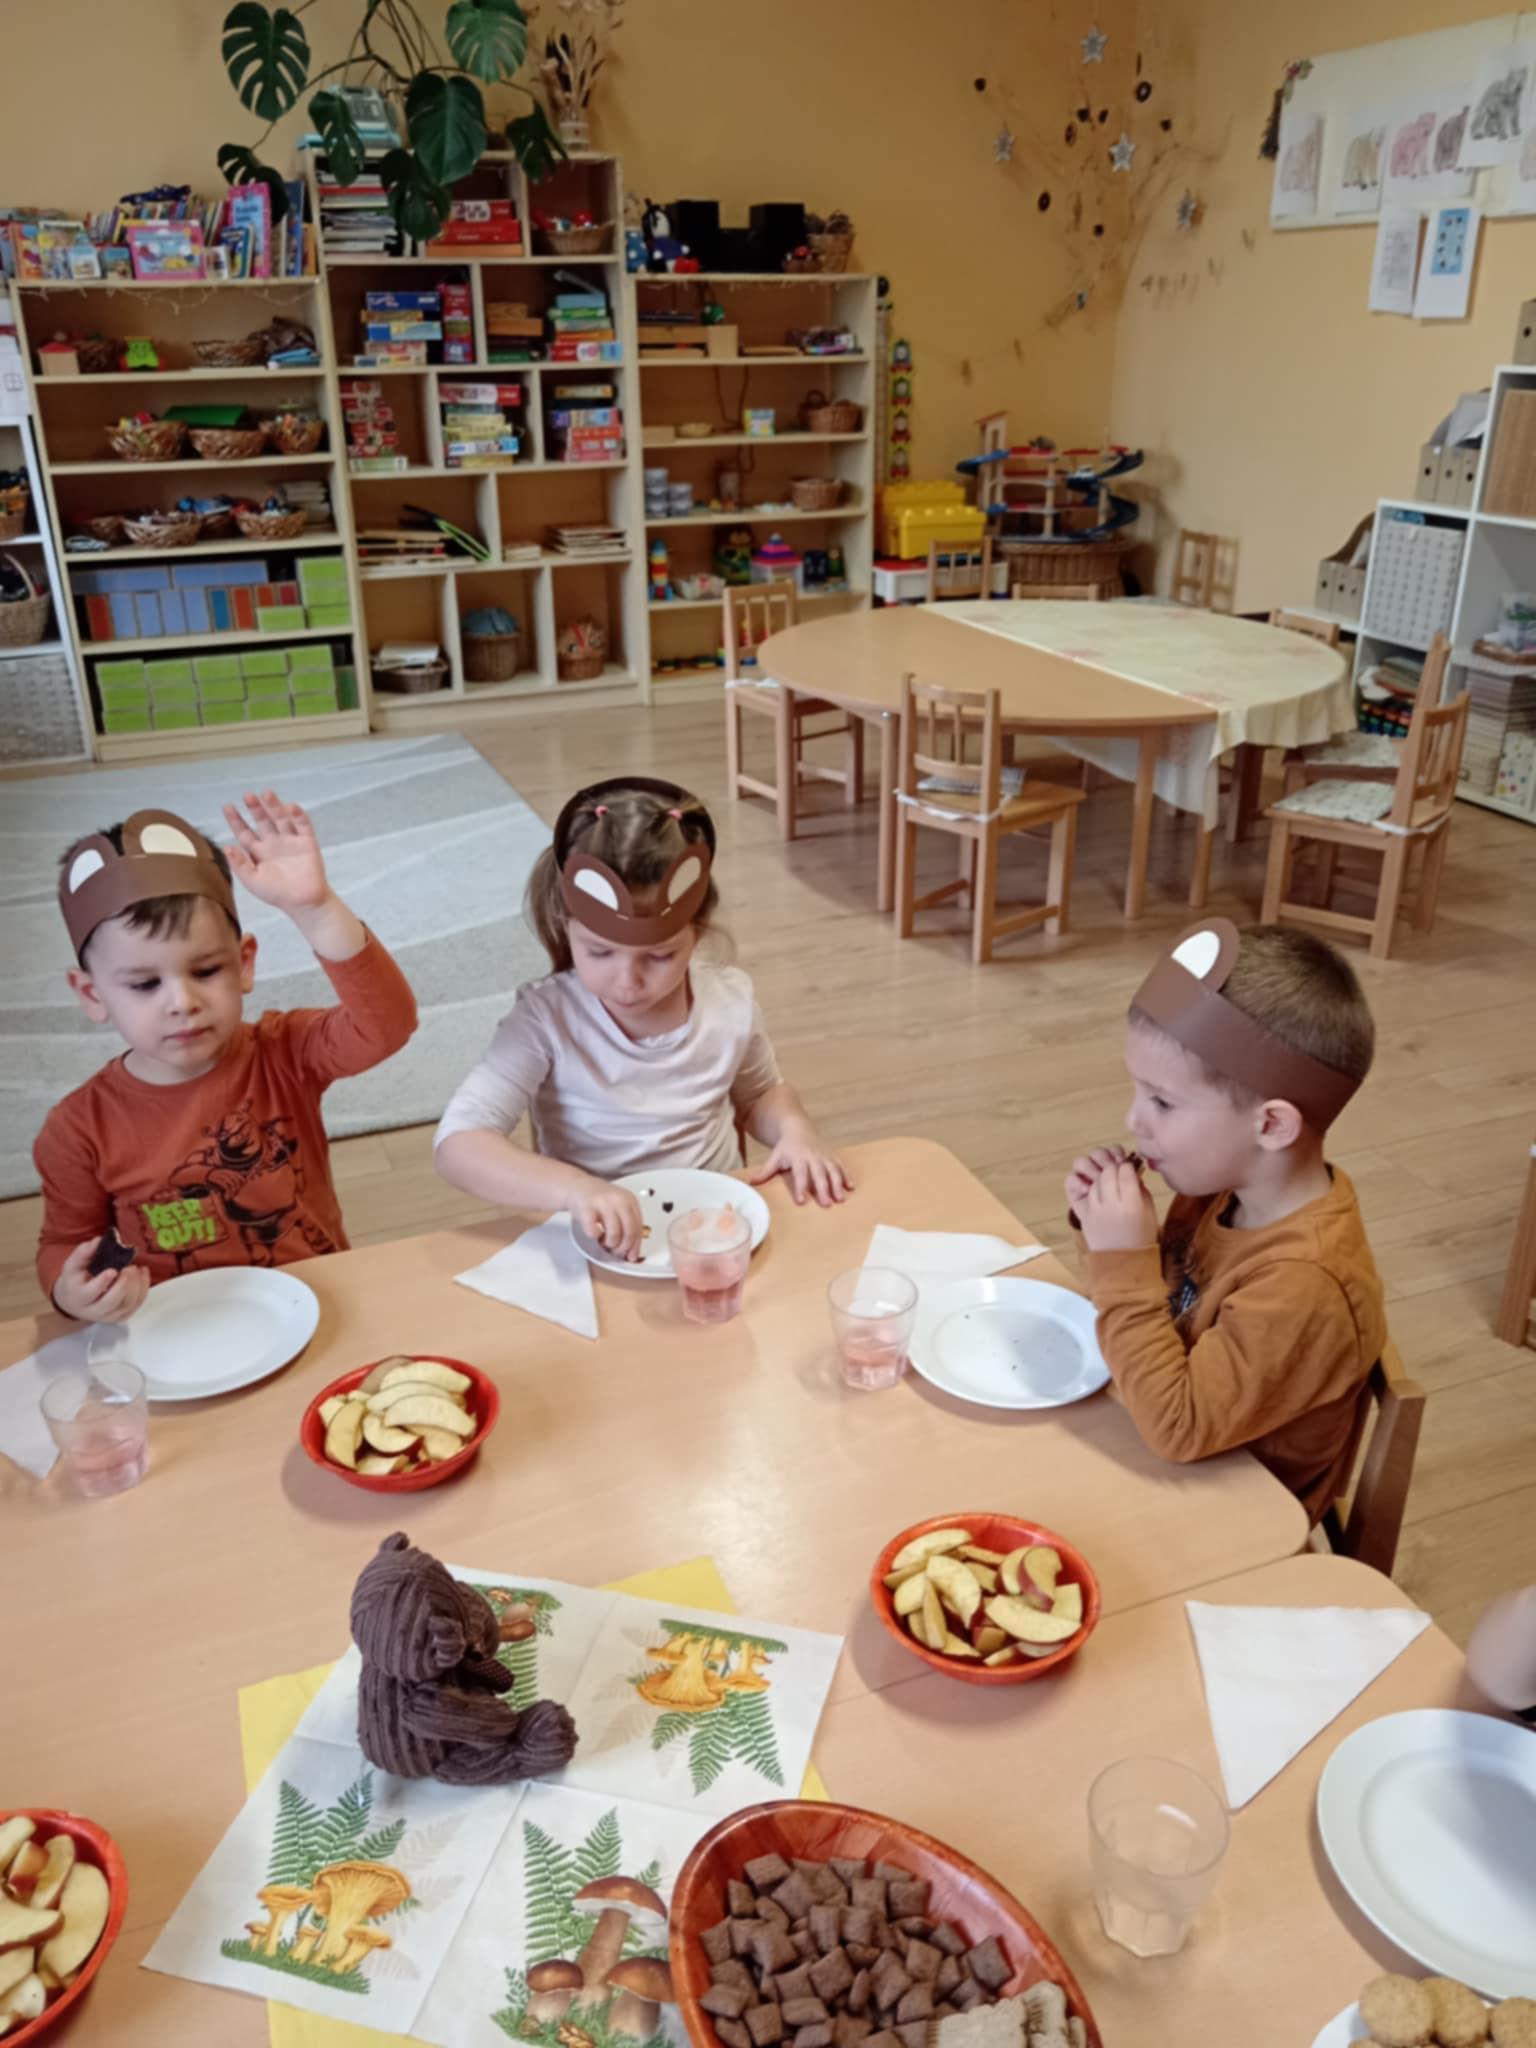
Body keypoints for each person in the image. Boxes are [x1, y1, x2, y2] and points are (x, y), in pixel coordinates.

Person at [36, 793, 417, 1323]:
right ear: (92, 994)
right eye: (145, 984)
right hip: (175, 1329)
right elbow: (65, 1242)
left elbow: (386, 1025)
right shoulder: (77, 1130)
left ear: (244, 964)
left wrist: (315, 908)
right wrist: (69, 1291)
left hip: (314, 1304)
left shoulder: (284, 1051)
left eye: (206, 971)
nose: (182, 1002)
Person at [433, 775, 848, 1259]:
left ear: (697, 932)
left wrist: (794, 1130)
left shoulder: (729, 1001)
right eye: (599, 952)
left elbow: (759, 1095)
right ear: (566, 927)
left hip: (712, 1232)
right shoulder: (545, 1019)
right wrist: (576, 1190)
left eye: (659, 956)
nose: (627, 982)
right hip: (600, 1242)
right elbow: (459, 1144)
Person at [1064, 919, 1386, 1520]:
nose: (1134, 1120)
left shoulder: (1305, 1285)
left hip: (1235, 1515)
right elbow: (1156, 1316)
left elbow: (1178, 1428)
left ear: (1272, 1125)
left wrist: (1122, 1262)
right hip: (1166, 1451)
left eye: (1162, 1101)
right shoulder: (1218, 1188)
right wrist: (1109, 1234)